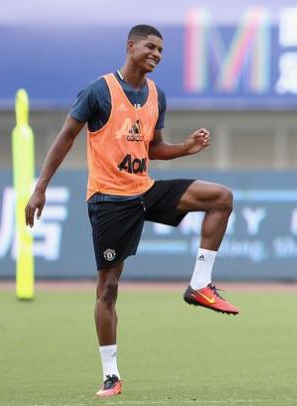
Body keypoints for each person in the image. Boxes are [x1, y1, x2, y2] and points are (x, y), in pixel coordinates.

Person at [24, 24, 239, 398]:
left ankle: (199, 285)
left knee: (221, 197)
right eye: (150, 47)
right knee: (108, 290)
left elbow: (152, 149)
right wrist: (39, 188)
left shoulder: (157, 95)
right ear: (131, 46)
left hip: (146, 190)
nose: (156, 54)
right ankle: (111, 376)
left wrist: (185, 149)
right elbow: (66, 137)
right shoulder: (99, 91)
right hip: (109, 200)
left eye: (161, 50)